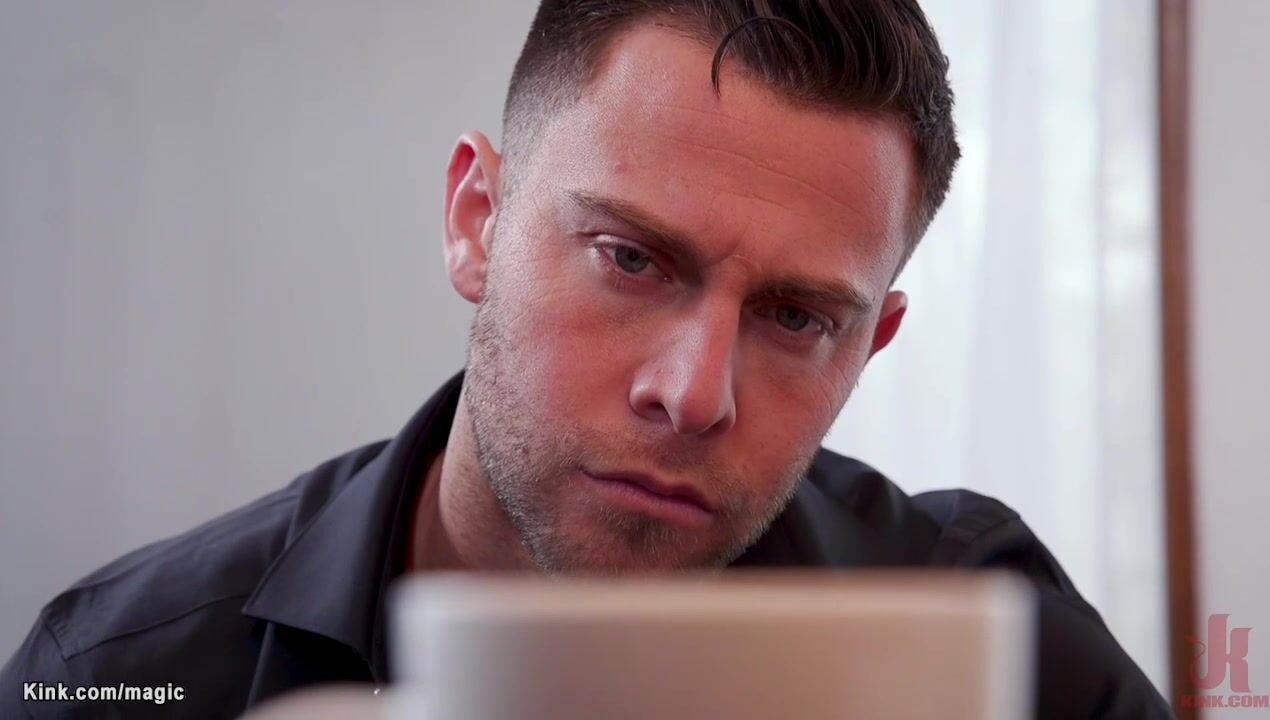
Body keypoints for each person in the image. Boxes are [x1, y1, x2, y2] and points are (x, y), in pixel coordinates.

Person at [1, 1, 1173, 717]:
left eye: (795, 318)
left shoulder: (997, 649)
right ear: (477, 220)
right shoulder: (121, 674)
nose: (693, 393)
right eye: (631, 259)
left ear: (870, 347)